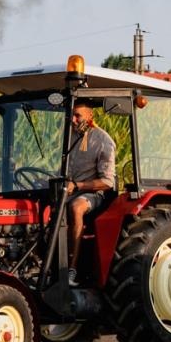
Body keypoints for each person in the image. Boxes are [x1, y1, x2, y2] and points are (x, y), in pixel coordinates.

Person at [63, 102, 116, 286]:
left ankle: (71, 269)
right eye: (72, 115)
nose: (74, 120)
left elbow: (108, 182)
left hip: (93, 193)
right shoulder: (68, 138)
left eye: (78, 115)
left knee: (76, 207)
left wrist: (78, 185)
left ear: (90, 115)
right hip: (67, 189)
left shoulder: (103, 140)